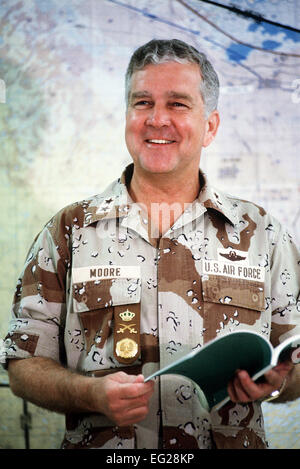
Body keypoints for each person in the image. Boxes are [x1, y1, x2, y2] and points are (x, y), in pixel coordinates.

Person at [2, 39, 300, 450]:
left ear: (210, 126)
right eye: (143, 102)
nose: (157, 119)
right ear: (127, 115)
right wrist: (89, 395)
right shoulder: (68, 231)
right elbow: (22, 366)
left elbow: (295, 363)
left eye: (177, 104)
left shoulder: (263, 234)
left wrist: (279, 381)